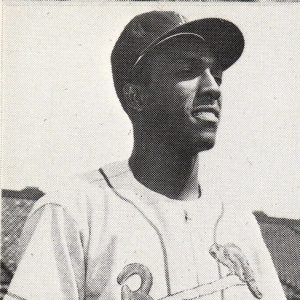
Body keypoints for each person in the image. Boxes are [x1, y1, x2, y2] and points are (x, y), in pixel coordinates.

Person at [5, 11, 286, 300]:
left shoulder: (240, 224)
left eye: (216, 75)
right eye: (188, 71)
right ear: (136, 96)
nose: (213, 87)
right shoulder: (74, 212)